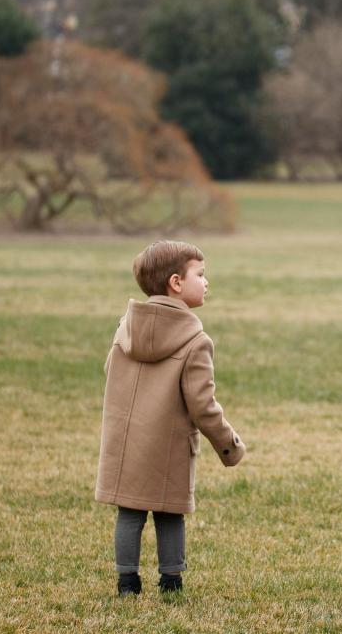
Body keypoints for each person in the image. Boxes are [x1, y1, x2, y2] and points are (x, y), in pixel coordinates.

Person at [94, 240, 245, 596]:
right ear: (176, 283)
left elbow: (109, 370)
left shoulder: (125, 328)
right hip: (167, 445)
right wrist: (229, 446)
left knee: (129, 512)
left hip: (126, 440)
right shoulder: (196, 341)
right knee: (169, 512)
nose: (207, 282)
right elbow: (203, 405)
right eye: (201, 274)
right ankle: (171, 580)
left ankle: (127, 582)